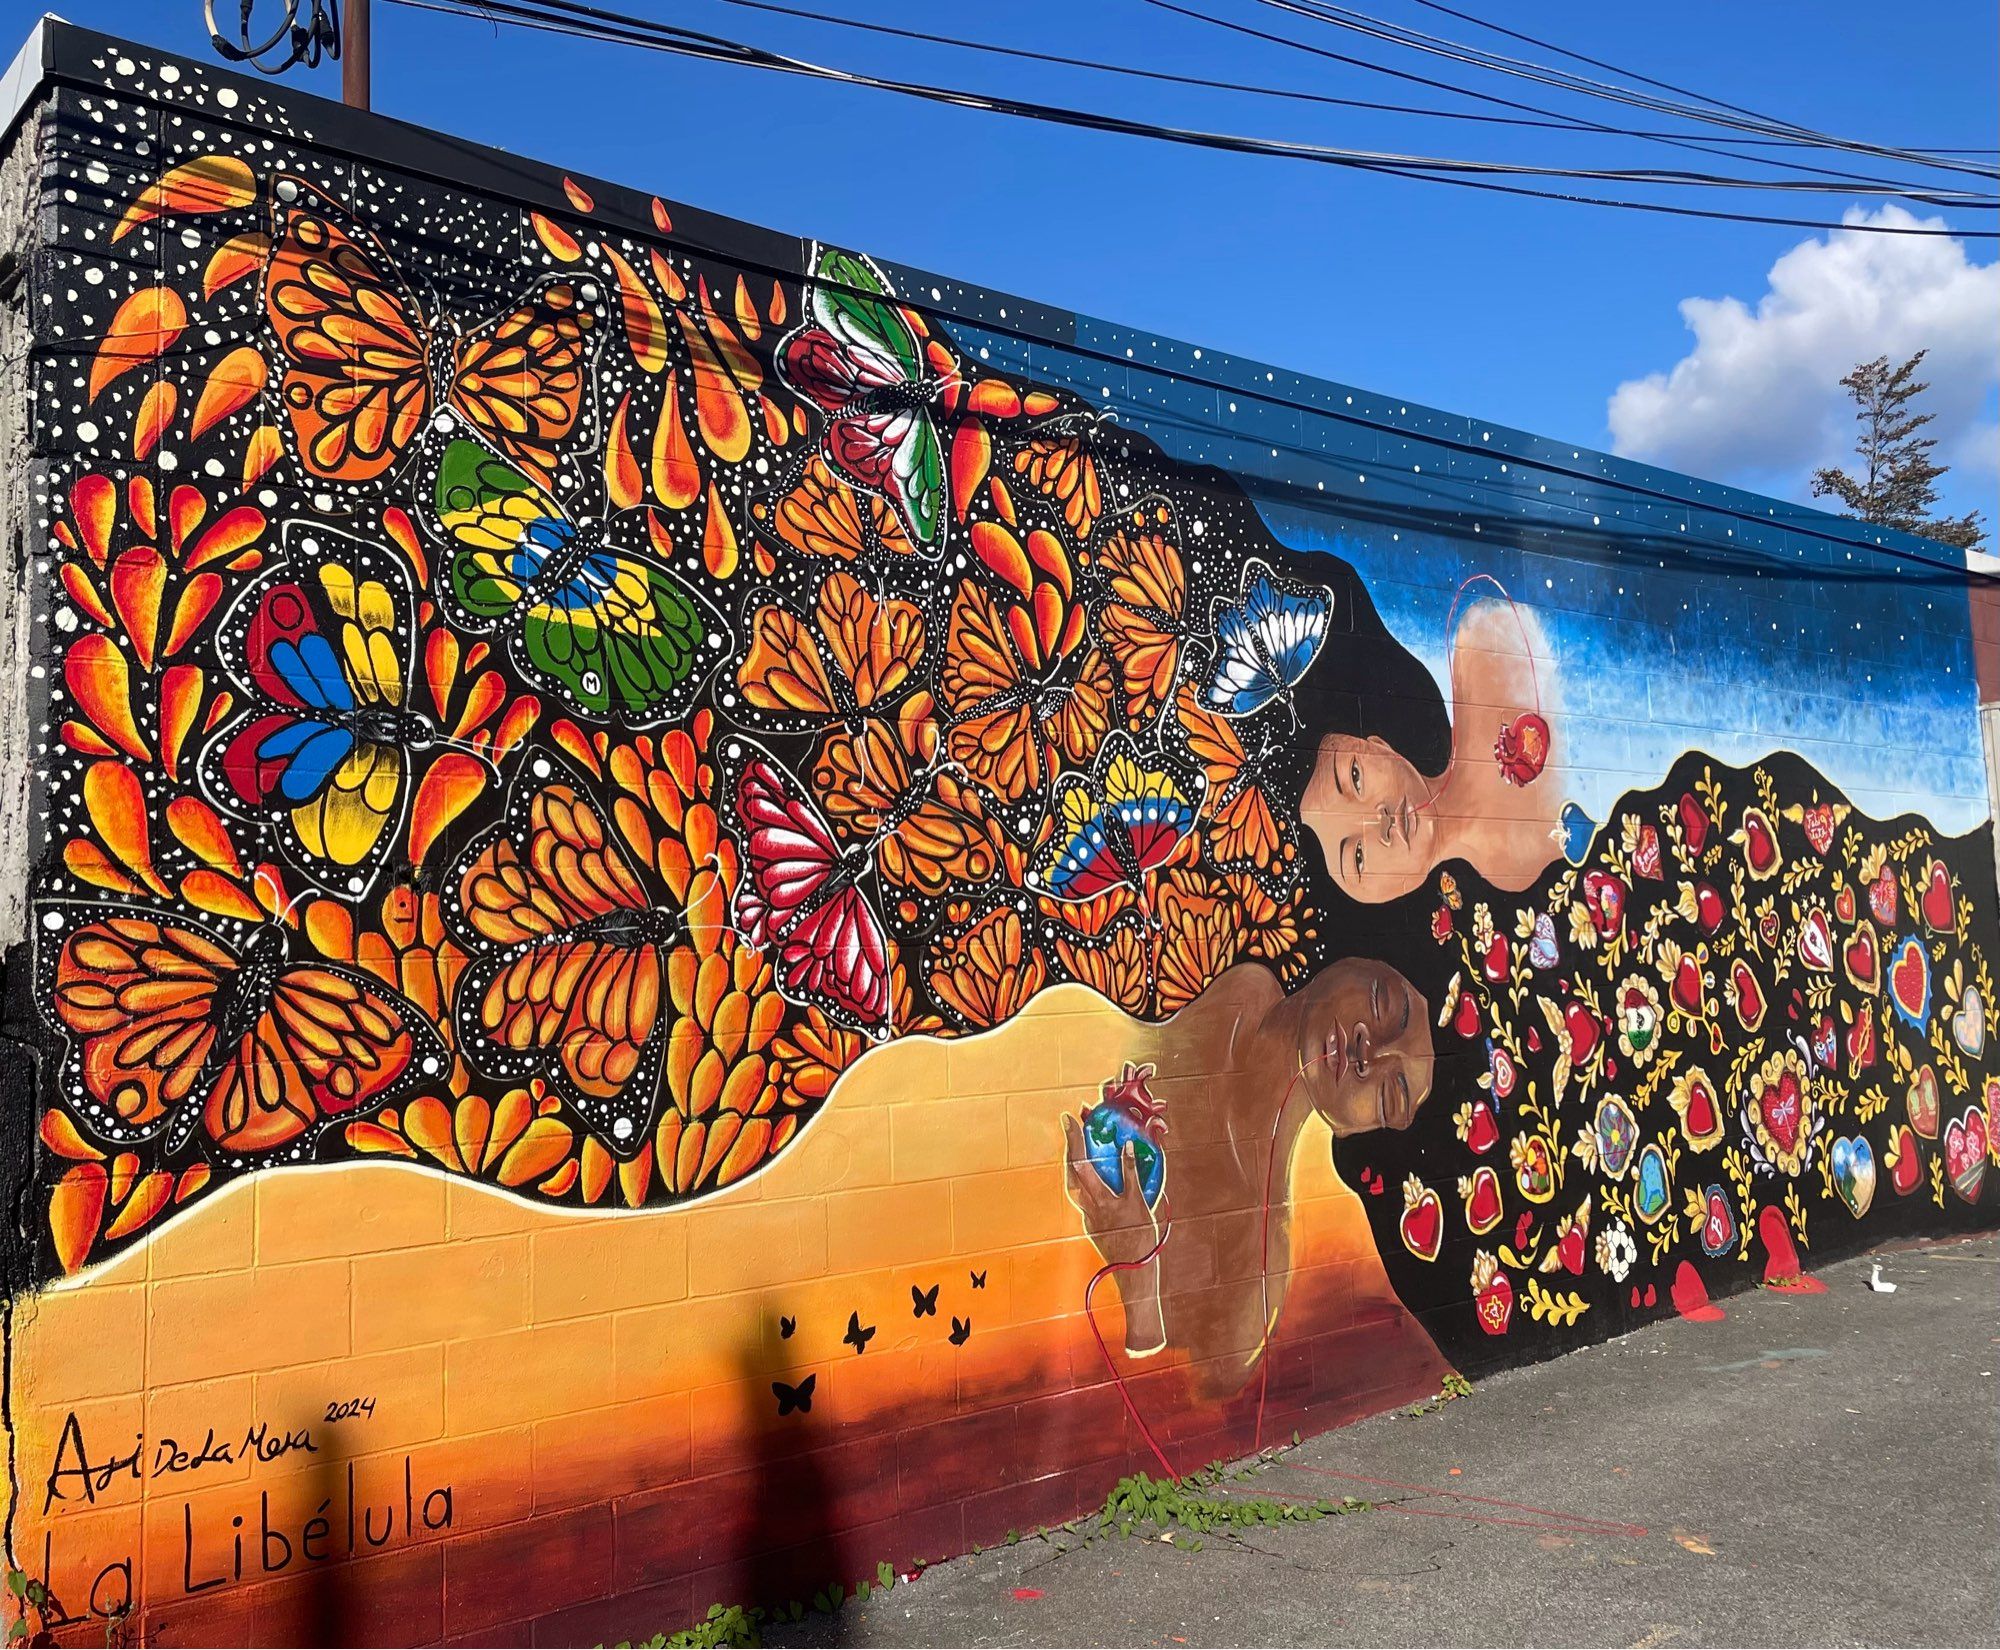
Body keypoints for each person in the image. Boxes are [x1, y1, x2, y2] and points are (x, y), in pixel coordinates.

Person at [1061, 955, 1435, 1395]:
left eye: (1390, 1094)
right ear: (1349, 965)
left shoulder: (1258, 1268)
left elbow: (1181, 1400)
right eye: (1382, 1002)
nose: (1366, 1053)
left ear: (1353, 1130)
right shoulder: (1232, 988)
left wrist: (1138, 1278)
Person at [1301, 593, 1563, 901]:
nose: (1380, 820)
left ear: (1380, 746)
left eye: (1355, 777)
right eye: (1358, 857)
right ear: (1372, 899)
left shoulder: (1486, 650)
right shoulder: (1501, 895)